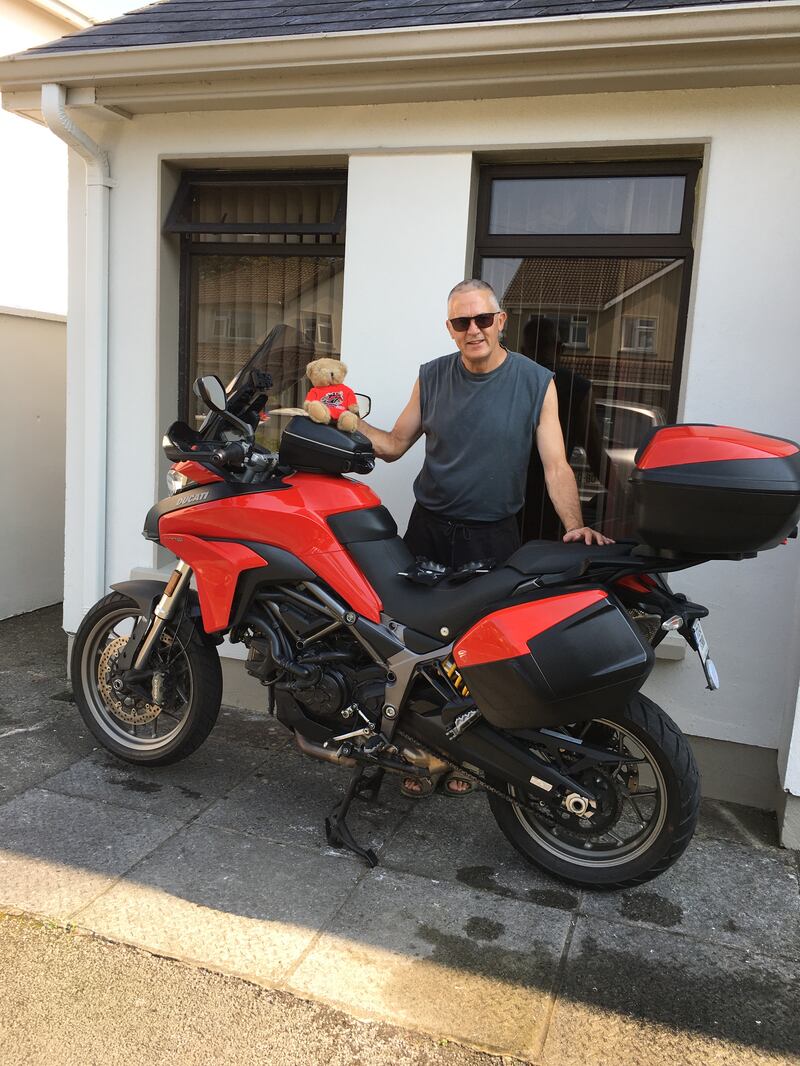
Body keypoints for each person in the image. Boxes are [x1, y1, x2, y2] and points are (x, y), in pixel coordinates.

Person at [359, 279, 612, 573]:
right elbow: (393, 445)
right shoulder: (432, 376)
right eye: (462, 322)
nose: (474, 330)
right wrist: (346, 419)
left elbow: (556, 466)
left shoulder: (537, 382)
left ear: (500, 321)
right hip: (427, 532)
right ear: (450, 329)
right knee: (408, 618)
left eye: (483, 319)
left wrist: (576, 526)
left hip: (492, 539)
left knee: (489, 620)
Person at [519, 314, 609, 542]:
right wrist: (624, 496)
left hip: (523, 497)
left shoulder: (514, 383)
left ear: (523, 349)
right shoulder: (576, 387)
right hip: (545, 505)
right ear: (560, 349)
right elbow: (595, 452)